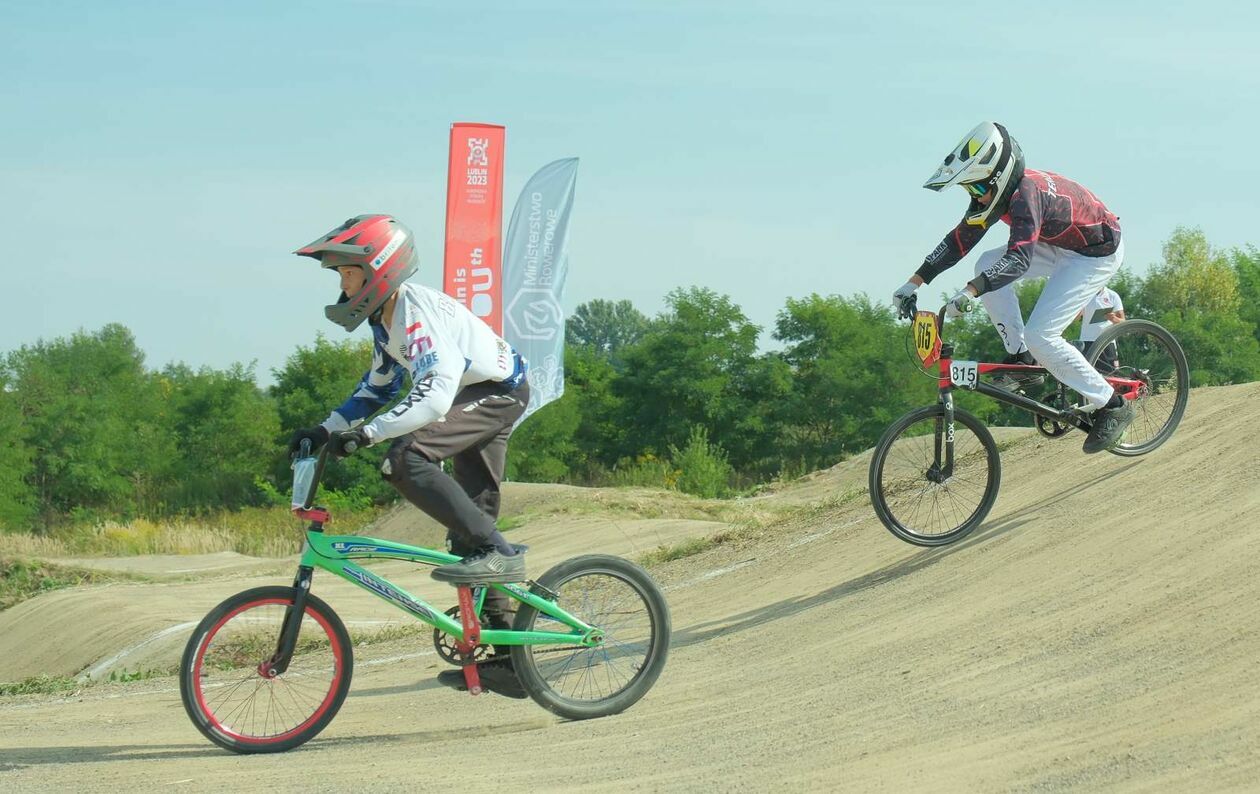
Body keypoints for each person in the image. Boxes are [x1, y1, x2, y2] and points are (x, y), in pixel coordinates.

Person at [286, 214, 531, 697]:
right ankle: (511, 660)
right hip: (477, 394)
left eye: (347, 272)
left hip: (495, 392)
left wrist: (369, 436)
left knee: (405, 459)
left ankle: (496, 556)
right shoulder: (385, 321)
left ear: (378, 268)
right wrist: (326, 428)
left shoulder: (414, 312)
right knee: (470, 525)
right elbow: (375, 388)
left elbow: (437, 395)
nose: (342, 282)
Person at [891, 122, 1135, 454]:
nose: (975, 199)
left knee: (1042, 335)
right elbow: (959, 240)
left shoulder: (1026, 196)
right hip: (1061, 244)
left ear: (998, 180)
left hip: (1095, 254)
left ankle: (1113, 405)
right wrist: (913, 282)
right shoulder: (1003, 196)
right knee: (983, 265)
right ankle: (1023, 359)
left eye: (977, 190)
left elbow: (1018, 260)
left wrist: (970, 292)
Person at [1076, 285, 1125, 372]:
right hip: (1087, 341)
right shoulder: (1085, 295)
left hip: (1107, 341)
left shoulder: (1112, 295)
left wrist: (1113, 318)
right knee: (1086, 374)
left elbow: (1123, 322)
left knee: (1111, 374)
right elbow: (1075, 318)